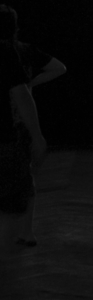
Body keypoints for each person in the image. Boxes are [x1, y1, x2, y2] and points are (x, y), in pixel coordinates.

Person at [0, 5, 64, 247]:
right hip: (17, 126)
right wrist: (31, 83)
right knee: (24, 180)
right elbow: (59, 68)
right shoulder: (23, 50)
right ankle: (26, 231)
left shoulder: (9, 52)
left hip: (12, 127)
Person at [0, 39, 47, 253]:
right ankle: (26, 232)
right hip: (11, 132)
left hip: (11, 132)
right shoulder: (17, 50)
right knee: (21, 186)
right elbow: (58, 68)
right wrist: (37, 136)